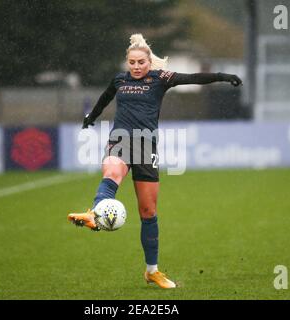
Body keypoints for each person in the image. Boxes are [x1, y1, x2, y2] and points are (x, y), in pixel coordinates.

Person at [68, 34, 242, 289]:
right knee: (113, 172)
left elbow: (193, 79)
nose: (136, 66)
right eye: (132, 62)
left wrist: (221, 77)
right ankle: (95, 212)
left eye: (140, 62)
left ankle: (152, 271)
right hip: (121, 139)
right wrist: (91, 117)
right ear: (127, 63)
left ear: (149, 62)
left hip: (146, 145)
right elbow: (105, 98)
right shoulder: (119, 80)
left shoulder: (161, 79)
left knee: (148, 212)